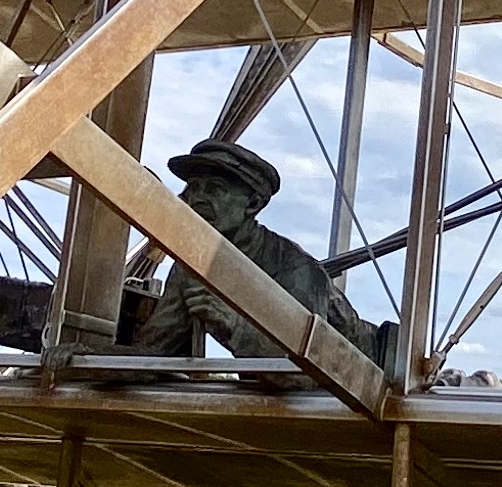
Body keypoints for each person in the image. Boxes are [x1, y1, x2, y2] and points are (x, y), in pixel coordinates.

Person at [138, 137, 397, 368]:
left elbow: (306, 371)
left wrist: (234, 326)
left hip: (373, 375)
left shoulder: (295, 269)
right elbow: (154, 353)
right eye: (193, 187)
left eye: (214, 188)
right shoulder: (190, 267)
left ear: (252, 204)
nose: (197, 198)